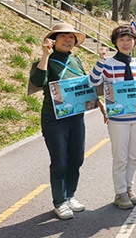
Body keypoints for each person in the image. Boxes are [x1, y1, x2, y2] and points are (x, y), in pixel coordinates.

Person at [88, 25, 136, 210]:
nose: (126, 43)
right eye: (122, 39)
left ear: (135, 42)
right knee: (120, 157)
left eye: (129, 39)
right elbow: (92, 82)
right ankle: (120, 192)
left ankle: (129, 189)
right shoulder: (108, 63)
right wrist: (100, 61)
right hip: (118, 119)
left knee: (133, 157)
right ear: (115, 42)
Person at [29, 23, 88, 220]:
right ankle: (59, 202)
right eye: (63, 36)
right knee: (60, 162)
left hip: (76, 119)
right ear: (53, 40)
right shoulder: (46, 60)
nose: (68, 40)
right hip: (54, 120)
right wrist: (45, 55)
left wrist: (101, 105)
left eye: (71, 37)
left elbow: (83, 87)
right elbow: (38, 81)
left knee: (76, 159)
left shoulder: (76, 61)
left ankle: (70, 196)